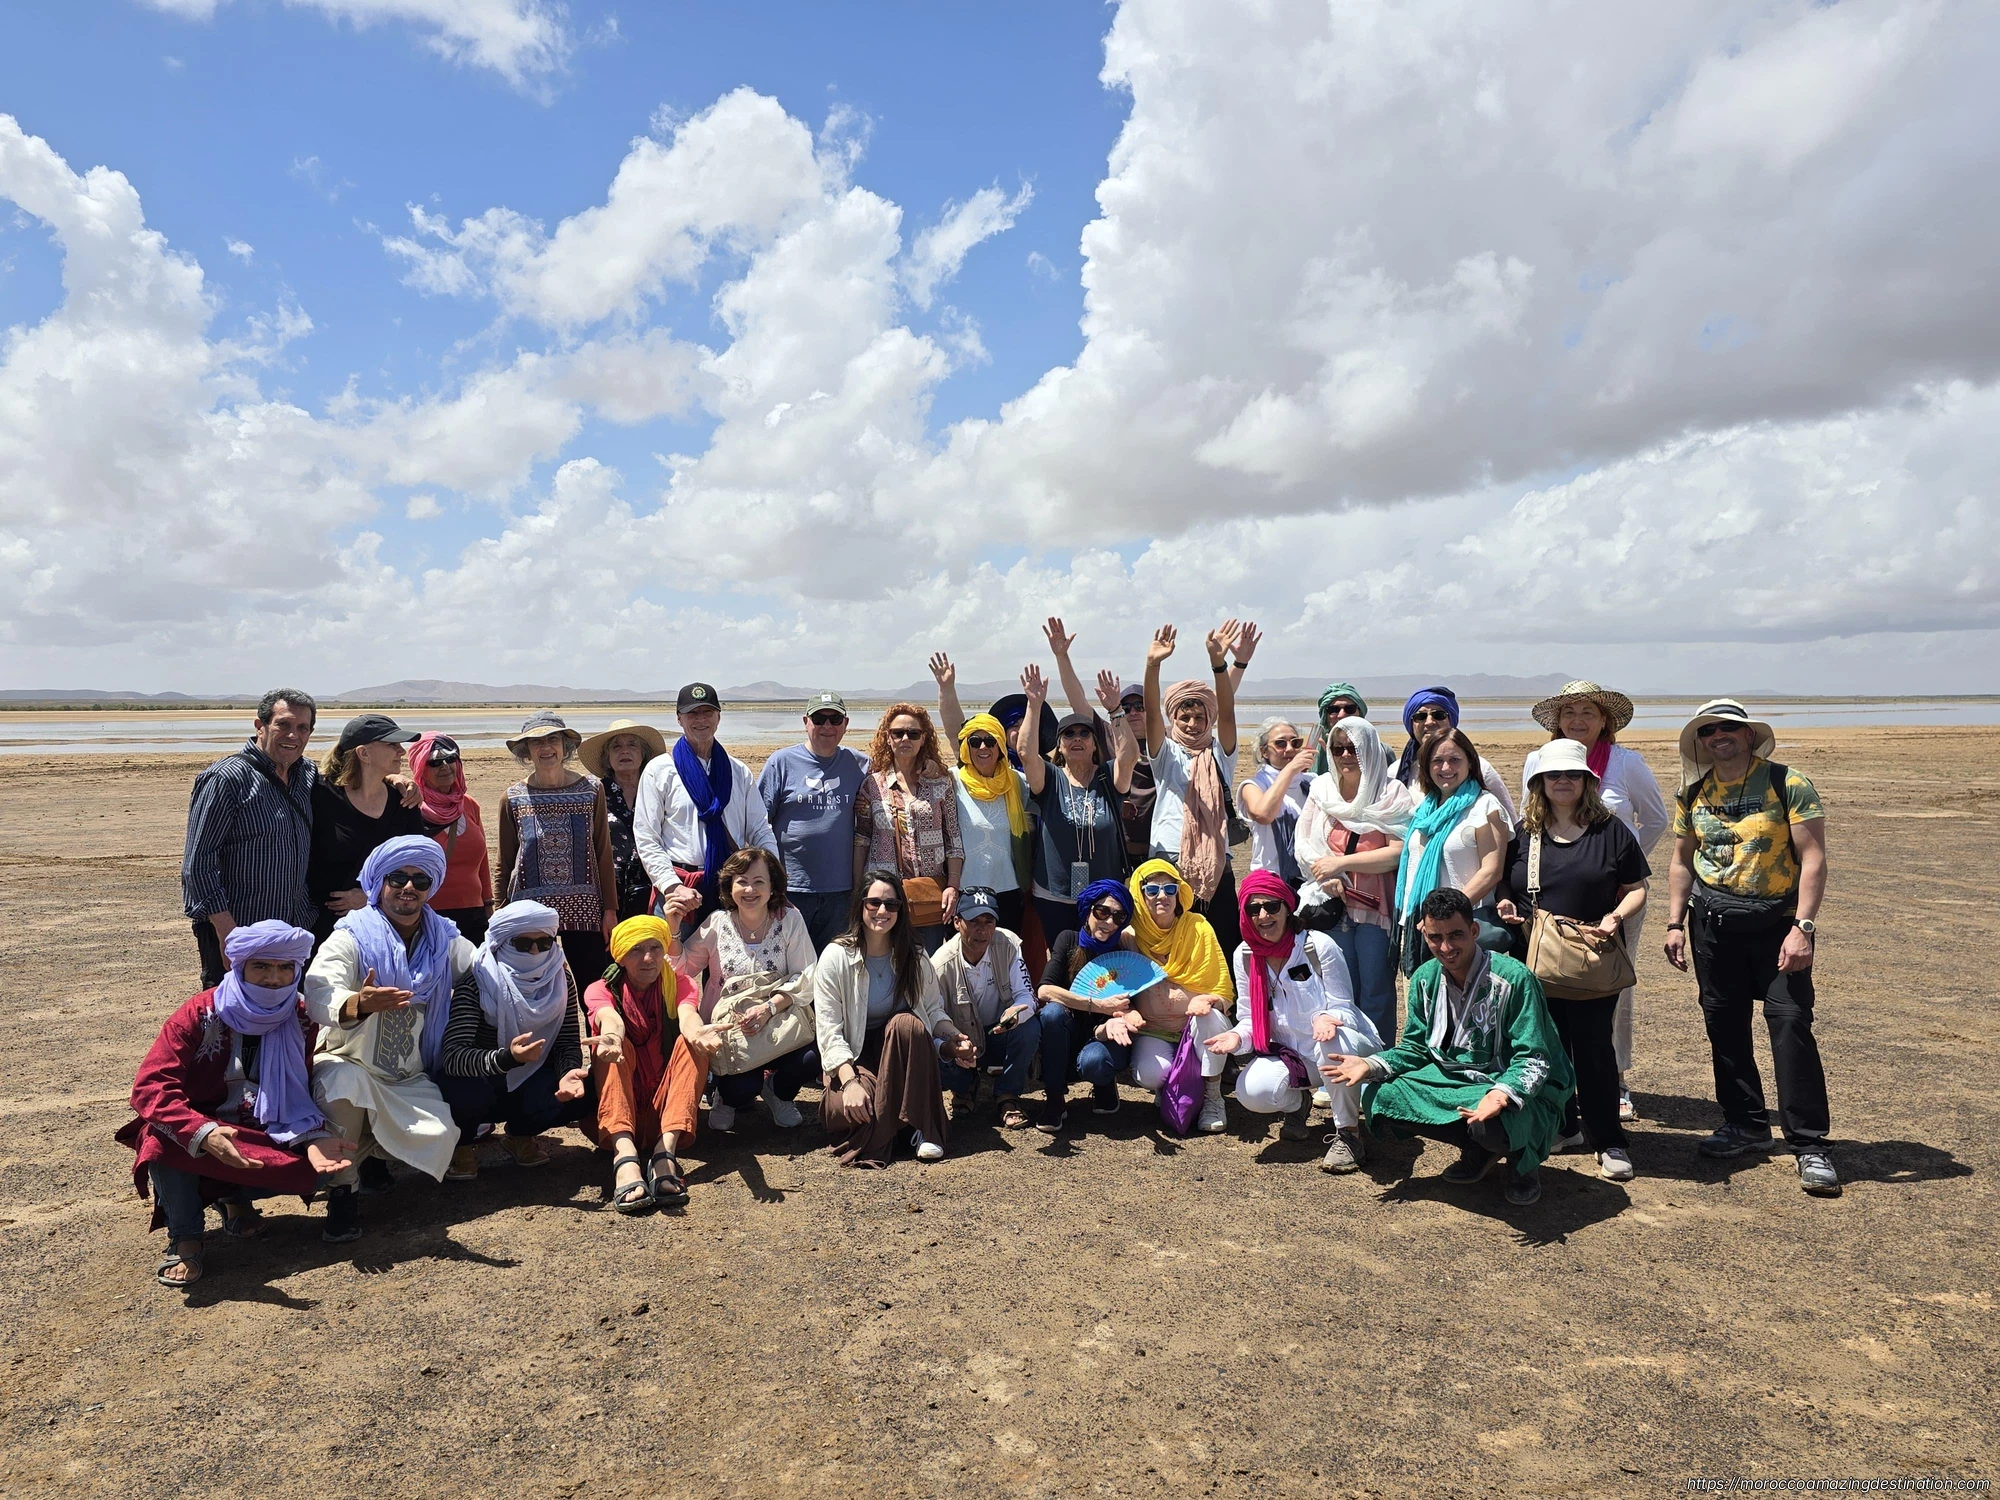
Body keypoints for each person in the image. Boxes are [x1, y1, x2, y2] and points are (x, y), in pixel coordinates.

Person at [118, 921, 353, 1288]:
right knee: (159, 1137)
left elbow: (302, 1086)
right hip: (201, 1131)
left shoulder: (302, 1014)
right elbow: (151, 1087)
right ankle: (185, 1236)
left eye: (284, 968)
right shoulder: (198, 1013)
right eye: (261, 966)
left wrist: (313, 1135)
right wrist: (204, 1132)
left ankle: (233, 1197)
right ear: (237, 966)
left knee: (315, 1169)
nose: (274, 979)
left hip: (261, 1130)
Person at [1662, 699, 1836, 1196]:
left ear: (1748, 735)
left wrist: (1803, 927)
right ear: (1700, 741)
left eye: (1730, 728)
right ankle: (1746, 1124)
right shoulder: (1692, 792)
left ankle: (1809, 1144)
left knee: (1790, 1022)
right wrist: (1675, 923)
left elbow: (1813, 858)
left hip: (1778, 924)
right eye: (1709, 730)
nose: (1720, 735)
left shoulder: (1787, 783)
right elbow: (1681, 861)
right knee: (1723, 1021)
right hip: (1712, 925)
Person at [1324, 888, 1574, 1207]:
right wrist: (1370, 1064)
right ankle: (1477, 1150)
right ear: (1424, 934)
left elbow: (1534, 1058)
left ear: (1473, 930)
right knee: (1380, 1094)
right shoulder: (1425, 978)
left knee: (1493, 1120)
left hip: (1514, 1084)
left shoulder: (1514, 978)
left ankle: (1521, 1166)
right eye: (1435, 937)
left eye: (1455, 935)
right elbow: (1415, 1048)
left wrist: (1501, 1094)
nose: (1445, 947)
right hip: (1457, 1080)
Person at [1494, 738, 1650, 1182]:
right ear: (1539, 782)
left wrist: (1615, 917)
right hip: (1534, 959)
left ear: (1587, 781)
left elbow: (1636, 888)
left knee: (1594, 1049)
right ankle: (1563, 1127)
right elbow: (1507, 885)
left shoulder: (1611, 831)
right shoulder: (1525, 834)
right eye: (1553, 775)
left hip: (1591, 959)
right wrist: (1507, 906)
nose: (1563, 782)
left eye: (1572, 775)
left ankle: (1610, 1140)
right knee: (1548, 1047)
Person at [304, 835, 474, 1241]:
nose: (408, 888)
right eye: (398, 877)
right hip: (351, 1060)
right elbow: (319, 988)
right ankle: (343, 1195)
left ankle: (368, 1160)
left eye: (421, 881)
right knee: (345, 1089)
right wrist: (359, 1003)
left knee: (441, 1134)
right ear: (380, 882)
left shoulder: (442, 938)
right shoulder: (352, 935)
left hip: (407, 1074)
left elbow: (482, 970)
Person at [1522, 681, 1670, 1124]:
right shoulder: (1538, 761)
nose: (1578, 720)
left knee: (1609, 984)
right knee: (1550, 987)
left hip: (1615, 898)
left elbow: (1657, 819)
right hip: (1551, 897)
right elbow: (1531, 818)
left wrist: (1617, 864)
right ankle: (1559, 1090)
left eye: (1588, 711)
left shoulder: (1626, 763)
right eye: (1569, 712)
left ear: (1605, 720)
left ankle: (1615, 1080)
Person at [1217, 872, 1383, 1171]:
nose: (1263, 916)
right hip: (1294, 1056)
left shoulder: (1317, 946)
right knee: (1251, 1092)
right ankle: (1298, 1104)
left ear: (1287, 907)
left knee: (1333, 1041)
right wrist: (1236, 1038)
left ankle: (1348, 1134)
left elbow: (1345, 1008)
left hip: (1344, 1046)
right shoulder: (1244, 954)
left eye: (1272, 906)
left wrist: (1325, 1018)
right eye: (1254, 909)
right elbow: (1247, 1018)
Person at [813, 869, 977, 1167]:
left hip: (902, 1059)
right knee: (851, 1110)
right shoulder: (835, 957)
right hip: (855, 1060)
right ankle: (905, 1123)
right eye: (873, 903)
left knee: (908, 1023)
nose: (882, 911)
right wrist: (849, 1083)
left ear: (901, 910)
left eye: (891, 904)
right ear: (860, 906)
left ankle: (925, 1131)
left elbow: (932, 1011)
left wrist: (953, 1038)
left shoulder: (914, 956)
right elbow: (829, 1033)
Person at [1074, 859, 1236, 1132]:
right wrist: (1125, 1013)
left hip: (1195, 1027)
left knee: (1211, 1017)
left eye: (1170, 889)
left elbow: (1223, 990)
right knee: (1148, 1074)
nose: (1162, 896)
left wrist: (1209, 999)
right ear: (1140, 894)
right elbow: (1111, 985)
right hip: (1153, 1030)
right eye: (1152, 890)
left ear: (1179, 893)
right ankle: (1173, 1086)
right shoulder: (1128, 936)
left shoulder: (1199, 927)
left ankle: (1213, 1096)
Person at [436, 901, 591, 1178]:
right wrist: (507, 1058)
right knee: (462, 1092)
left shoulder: (559, 980)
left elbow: (567, 1040)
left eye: (544, 943)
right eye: (522, 943)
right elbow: (453, 1057)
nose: (535, 951)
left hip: (529, 1078)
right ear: (502, 943)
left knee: (588, 1091)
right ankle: (461, 1146)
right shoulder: (477, 981)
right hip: (482, 1083)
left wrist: (568, 1073)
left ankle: (521, 1136)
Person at [671, 847, 820, 1133]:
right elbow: (682, 968)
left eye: (759, 881)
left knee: (811, 1058)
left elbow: (807, 974)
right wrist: (675, 930)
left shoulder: (788, 920)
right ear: (729, 885)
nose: (749, 889)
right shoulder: (718, 923)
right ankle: (725, 1097)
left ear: (773, 885)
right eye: (741, 881)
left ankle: (778, 1092)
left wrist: (769, 1008)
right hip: (732, 1032)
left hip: (778, 1022)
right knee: (742, 1090)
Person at [182, 687, 322, 987]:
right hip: (241, 932)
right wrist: (228, 934)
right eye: (282, 725)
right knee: (234, 1023)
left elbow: (352, 782)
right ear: (260, 726)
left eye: (302, 728)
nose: (293, 735)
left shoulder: (307, 775)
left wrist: (395, 778)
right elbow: (199, 863)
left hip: (292, 933)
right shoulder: (227, 779)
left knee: (292, 1022)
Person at [1292, 716, 1413, 1043]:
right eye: (1338, 748)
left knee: (1376, 992)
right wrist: (1326, 875)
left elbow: (1396, 853)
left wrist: (1339, 864)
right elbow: (1303, 843)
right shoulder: (1322, 790)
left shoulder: (1392, 793)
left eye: (1354, 748)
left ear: (1370, 749)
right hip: (1331, 907)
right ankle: (1341, 1063)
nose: (1346, 755)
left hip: (1376, 910)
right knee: (1338, 991)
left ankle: (1378, 1063)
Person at [634, 684, 778, 941]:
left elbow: (759, 829)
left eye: (707, 712)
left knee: (728, 970)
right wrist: (672, 886)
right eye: (692, 713)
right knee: (671, 968)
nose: (700, 720)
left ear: (718, 717)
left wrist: (772, 876)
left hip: (731, 886)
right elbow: (647, 836)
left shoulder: (738, 771)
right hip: (681, 888)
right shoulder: (659, 771)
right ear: (679, 718)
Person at [1142, 621, 1245, 959]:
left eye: (1199, 716)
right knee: (1174, 948)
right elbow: (1151, 714)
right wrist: (1153, 665)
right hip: (1170, 860)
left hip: (1217, 862)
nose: (1191, 723)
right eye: (1184, 716)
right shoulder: (1165, 755)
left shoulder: (1220, 754)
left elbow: (1228, 713)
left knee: (1222, 943)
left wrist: (1219, 664)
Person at [584, 915, 698, 1213]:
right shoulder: (600, 989)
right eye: (636, 950)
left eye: (655, 948)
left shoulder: (680, 983)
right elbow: (609, 1018)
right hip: (622, 1107)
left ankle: (664, 1153)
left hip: (664, 1108)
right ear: (620, 956)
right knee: (613, 1047)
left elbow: (688, 1017)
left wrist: (698, 1031)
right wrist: (610, 1035)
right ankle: (625, 1158)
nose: (647, 958)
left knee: (692, 1044)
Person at [1018, 666, 1139, 945]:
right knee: (1063, 957)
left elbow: (1130, 756)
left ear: (1094, 744)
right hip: (1054, 895)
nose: (1077, 739)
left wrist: (1116, 711)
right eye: (1069, 734)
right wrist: (1034, 705)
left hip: (1104, 897)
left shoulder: (1108, 777)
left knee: (1102, 961)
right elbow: (1025, 753)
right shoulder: (1050, 779)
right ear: (1059, 746)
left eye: (1084, 734)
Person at [497, 712, 619, 985]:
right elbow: (504, 862)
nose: (546, 747)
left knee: (594, 989)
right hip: (530, 912)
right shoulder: (513, 797)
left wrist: (609, 909)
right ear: (527, 750)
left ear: (565, 746)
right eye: (536, 742)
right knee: (535, 988)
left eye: (553, 739)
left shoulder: (591, 790)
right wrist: (500, 912)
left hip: (585, 910)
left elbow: (603, 852)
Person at [932, 887, 1058, 1130]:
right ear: (957, 922)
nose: (982, 930)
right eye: (974, 921)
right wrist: (952, 1045)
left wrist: (1016, 1014)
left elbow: (1027, 996)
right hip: (962, 1041)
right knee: (935, 1050)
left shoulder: (1009, 943)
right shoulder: (939, 964)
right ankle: (964, 1086)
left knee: (1030, 1026)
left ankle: (1007, 1095)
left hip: (999, 1034)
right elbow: (934, 1017)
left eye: (989, 922)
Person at [1394, 729, 1513, 975]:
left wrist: (1446, 916)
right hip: (1422, 928)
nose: (1445, 767)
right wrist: (1429, 922)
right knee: (1424, 1003)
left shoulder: (1485, 806)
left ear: (1470, 762)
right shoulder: (1423, 811)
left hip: (1464, 929)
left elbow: (1492, 871)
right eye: (1437, 760)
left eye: (1455, 760)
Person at [757, 691, 869, 950]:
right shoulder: (781, 763)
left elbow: (898, 777)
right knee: (790, 963)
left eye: (835, 719)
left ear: (846, 724)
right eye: (819, 719)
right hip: (791, 889)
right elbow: (758, 823)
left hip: (841, 891)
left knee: (833, 963)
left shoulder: (860, 764)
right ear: (806, 722)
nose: (827, 726)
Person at [305, 713, 427, 947]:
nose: (401, 751)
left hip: (385, 930)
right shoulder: (319, 795)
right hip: (321, 933)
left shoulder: (404, 802)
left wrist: (372, 894)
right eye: (392, 745)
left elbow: (417, 864)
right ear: (364, 753)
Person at [854, 702, 964, 953]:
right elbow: (861, 839)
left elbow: (954, 840)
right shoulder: (872, 785)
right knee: (884, 960)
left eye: (913, 734)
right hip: (883, 896)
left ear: (923, 738)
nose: (905, 739)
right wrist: (858, 890)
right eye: (898, 733)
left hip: (928, 895)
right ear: (888, 737)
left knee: (928, 965)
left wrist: (952, 886)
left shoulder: (940, 783)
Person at [1035, 879, 1139, 1121]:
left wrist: (1119, 1018)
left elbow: (1131, 1005)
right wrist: (1097, 1004)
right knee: (1051, 1014)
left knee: (1096, 1061)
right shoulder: (1067, 939)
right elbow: (1045, 991)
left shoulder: (1124, 953)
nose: (1109, 922)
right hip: (1068, 1030)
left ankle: (1103, 1082)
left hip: (1104, 1034)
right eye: (1102, 911)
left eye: (1118, 916)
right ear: (1088, 910)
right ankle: (1054, 1098)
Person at [949, 712, 1033, 935]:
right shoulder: (952, 780)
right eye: (975, 742)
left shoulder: (1017, 782)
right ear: (967, 747)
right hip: (965, 891)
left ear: (1000, 747)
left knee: (1004, 957)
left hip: (1008, 889)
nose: (983, 747)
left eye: (990, 741)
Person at [579, 718, 670, 924]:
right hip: (609, 893)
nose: (624, 751)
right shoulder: (594, 793)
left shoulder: (660, 789)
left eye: (632, 745)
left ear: (643, 754)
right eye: (616, 746)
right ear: (607, 758)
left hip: (655, 886)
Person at [412, 732, 492, 946]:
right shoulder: (410, 809)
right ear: (420, 767)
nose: (445, 766)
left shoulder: (469, 805)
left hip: (474, 915)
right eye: (435, 762)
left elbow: (482, 861)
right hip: (426, 915)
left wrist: (488, 904)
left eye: (451, 759)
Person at [1390, 688, 1518, 818]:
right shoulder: (1396, 772)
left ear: (1451, 720)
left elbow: (1507, 819)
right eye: (1420, 717)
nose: (1429, 722)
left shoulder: (1479, 768)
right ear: (1411, 724)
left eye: (1438, 715)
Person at [1237, 717, 1313, 888]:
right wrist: (1291, 770)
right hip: (1271, 880)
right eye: (1280, 744)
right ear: (1264, 752)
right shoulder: (1254, 785)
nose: (1289, 749)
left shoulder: (1310, 782)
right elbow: (1264, 814)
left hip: (1308, 880)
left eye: (1295, 743)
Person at [1309, 683, 1371, 775]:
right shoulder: (1312, 754)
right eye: (1333, 710)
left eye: (1350, 709)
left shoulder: (1380, 751)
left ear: (1360, 713)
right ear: (1325, 717)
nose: (1342, 715)